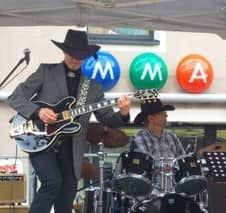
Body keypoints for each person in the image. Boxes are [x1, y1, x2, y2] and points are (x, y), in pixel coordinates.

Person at [6, 29, 131, 213]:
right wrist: (38, 111)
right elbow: (15, 97)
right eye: (71, 54)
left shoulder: (94, 87)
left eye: (79, 56)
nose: (74, 58)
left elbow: (106, 118)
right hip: (40, 138)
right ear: (64, 52)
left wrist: (123, 113)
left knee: (66, 197)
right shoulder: (45, 72)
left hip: (72, 148)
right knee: (52, 182)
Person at [130, 98, 185, 195]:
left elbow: (183, 161)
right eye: (162, 113)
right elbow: (142, 168)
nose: (166, 115)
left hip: (175, 191)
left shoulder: (172, 137)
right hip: (150, 193)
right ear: (151, 118)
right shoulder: (139, 138)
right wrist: (165, 168)